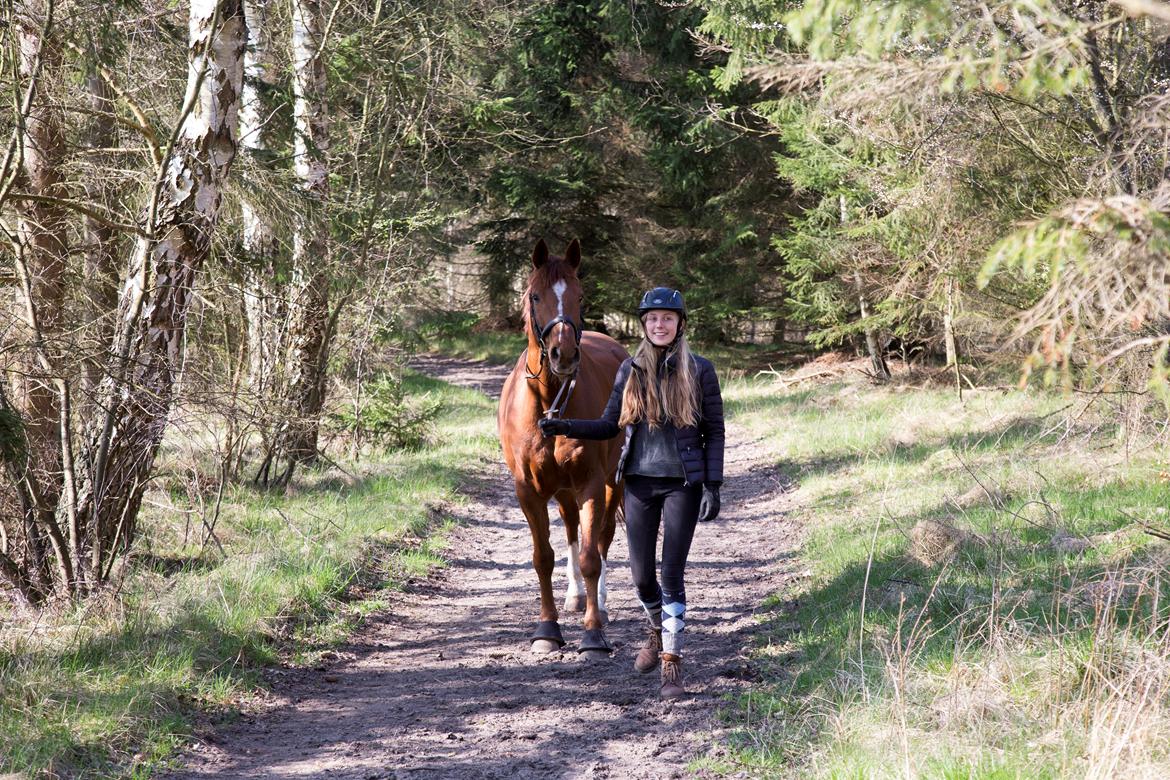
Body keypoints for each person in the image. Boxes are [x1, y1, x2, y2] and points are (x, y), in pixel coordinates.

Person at [538, 287, 725, 698]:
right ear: (645, 324)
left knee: (671, 575)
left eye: (668, 319)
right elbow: (608, 425)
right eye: (653, 319)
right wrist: (564, 426)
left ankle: (672, 665)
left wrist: (713, 484)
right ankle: (657, 632)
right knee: (641, 579)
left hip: (683, 486)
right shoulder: (629, 370)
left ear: (680, 325)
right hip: (637, 485)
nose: (660, 325)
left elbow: (714, 432)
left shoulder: (701, 371)